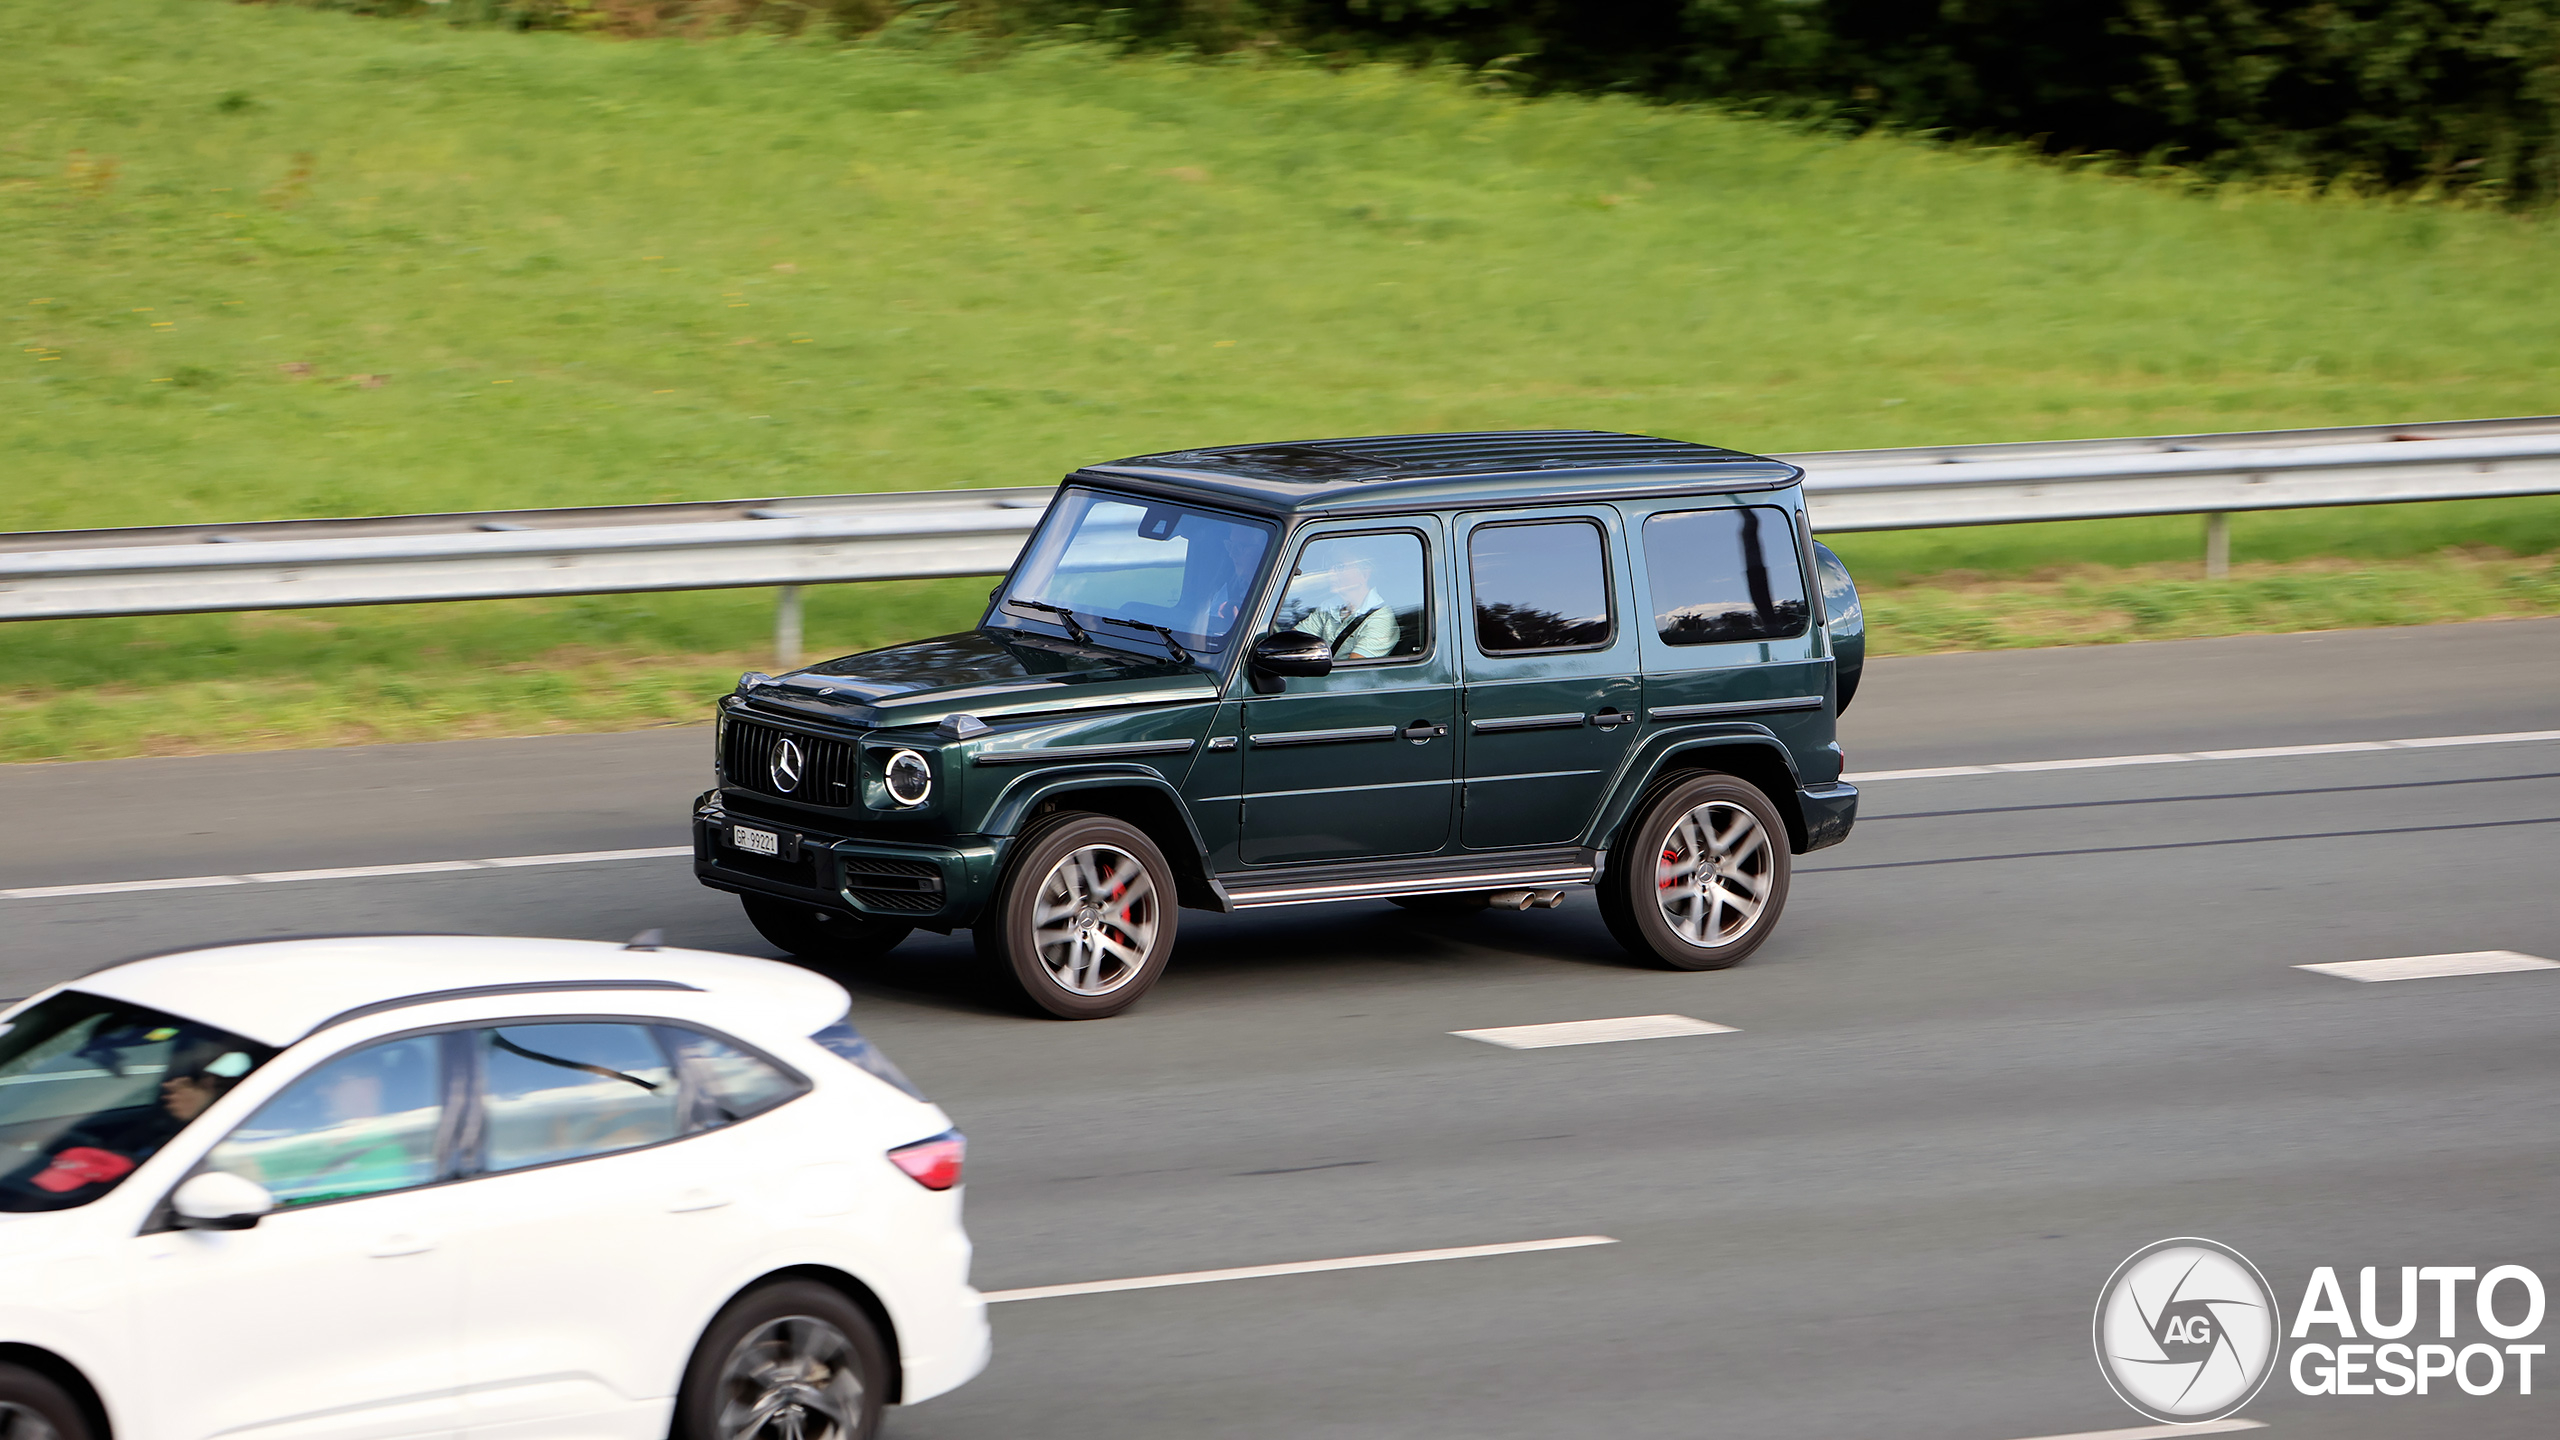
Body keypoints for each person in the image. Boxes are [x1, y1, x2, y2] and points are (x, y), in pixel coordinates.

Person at [1286, 549, 1399, 660]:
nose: (1330, 573)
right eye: (1329, 567)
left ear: (1365, 574)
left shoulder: (1380, 619)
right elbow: (1293, 641)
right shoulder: (1330, 606)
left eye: (1339, 567)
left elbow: (1352, 672)